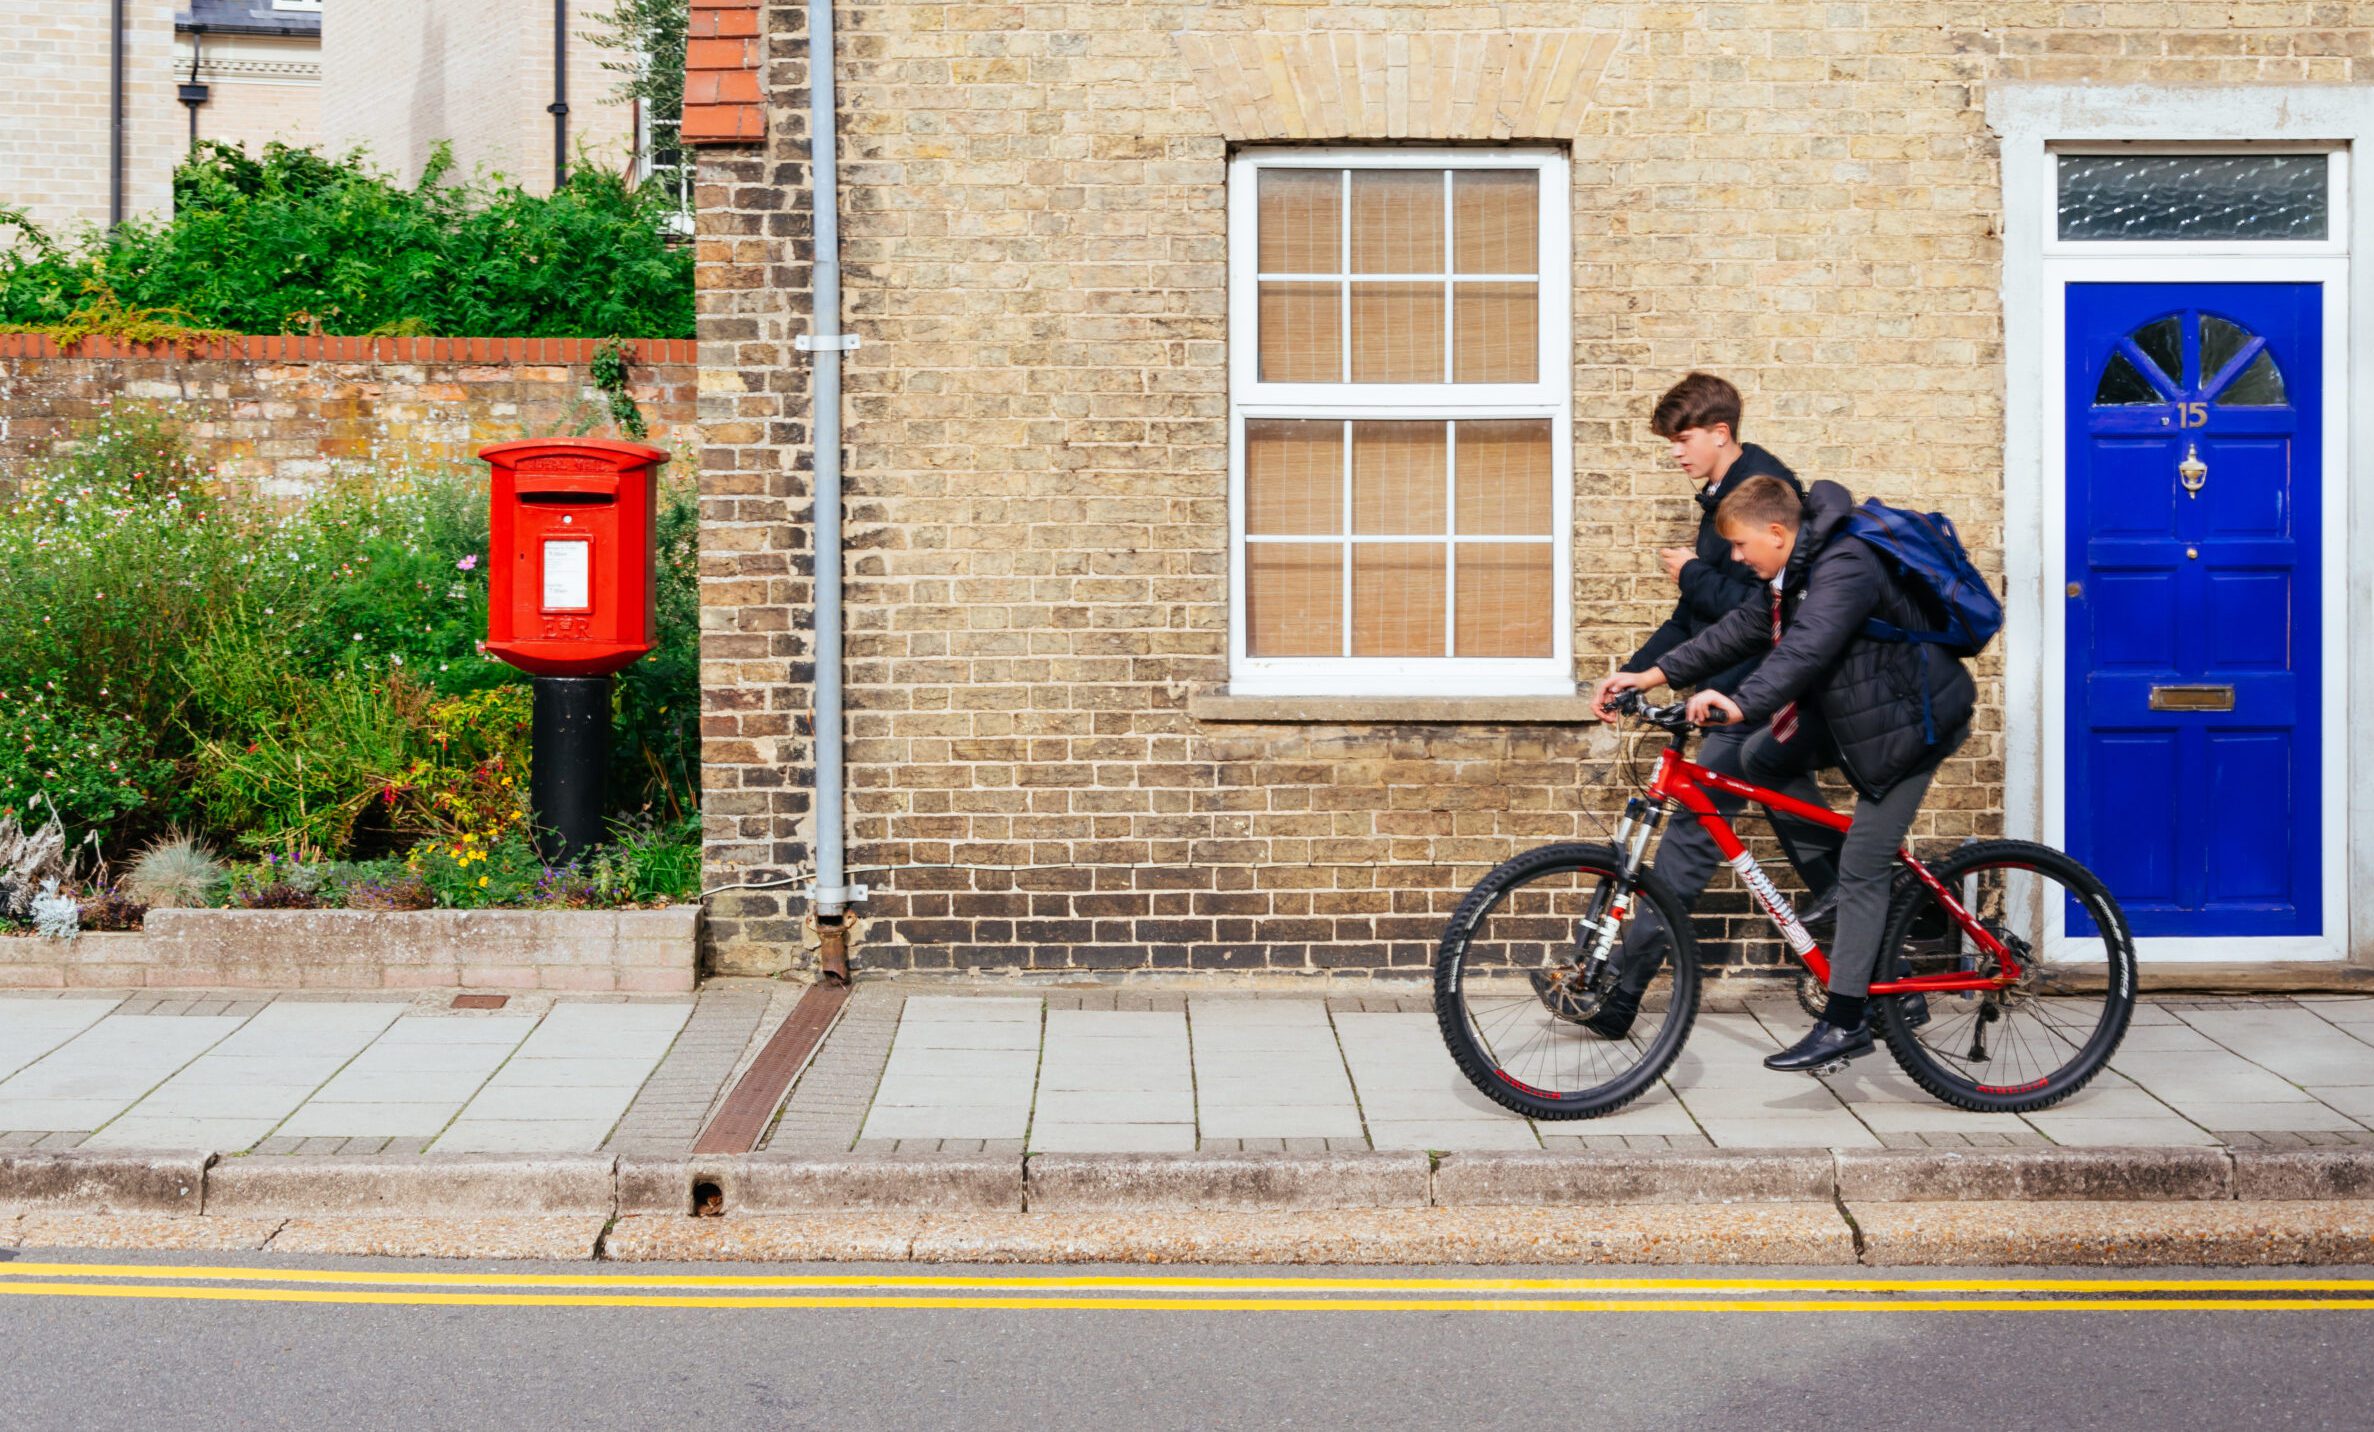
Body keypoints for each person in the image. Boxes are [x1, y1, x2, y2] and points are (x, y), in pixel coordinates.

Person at [1601, 475, 1976, 1072]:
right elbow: (1744, 629)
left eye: (1743, 545)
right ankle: (1850, 886)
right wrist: (1650, 675)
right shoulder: (1795, 568)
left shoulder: (1845, 565)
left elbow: (1806, 649)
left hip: (1910, 727)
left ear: (1777, 532)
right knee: (1760, 759)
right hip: (1856, 716)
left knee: (1863, 866)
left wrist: (1742, 703)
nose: (1735, 557)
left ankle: (1846, 1018)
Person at [1570, 373, 1841, 1040]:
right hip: (1751, 694)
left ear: (1720, 433)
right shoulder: (1724, 492)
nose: (1673, 452)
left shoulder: (1762, 489)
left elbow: (1756, 612)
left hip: (1757, 696)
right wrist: (1639, 674)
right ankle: (1882, 964)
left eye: (1682, 438)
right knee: (1805, 828)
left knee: (1688, 846)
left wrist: (1694, 571)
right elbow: (1699, 617)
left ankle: (1621, 997)